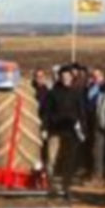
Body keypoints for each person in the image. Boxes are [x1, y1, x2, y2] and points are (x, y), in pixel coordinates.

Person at [45, 66, 86, 195]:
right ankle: (50, 185)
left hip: (71, 132)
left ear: (72, 78)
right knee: (51, 158)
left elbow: (82, 113)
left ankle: (66, 186)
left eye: (67, 76)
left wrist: (83, 130)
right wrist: (45, 127)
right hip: (55, 131)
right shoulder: (53, 93)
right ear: (59, 77)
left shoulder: (77, 93)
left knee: (69, 160)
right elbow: (46, 112)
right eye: (63, 77)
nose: (65, 79)